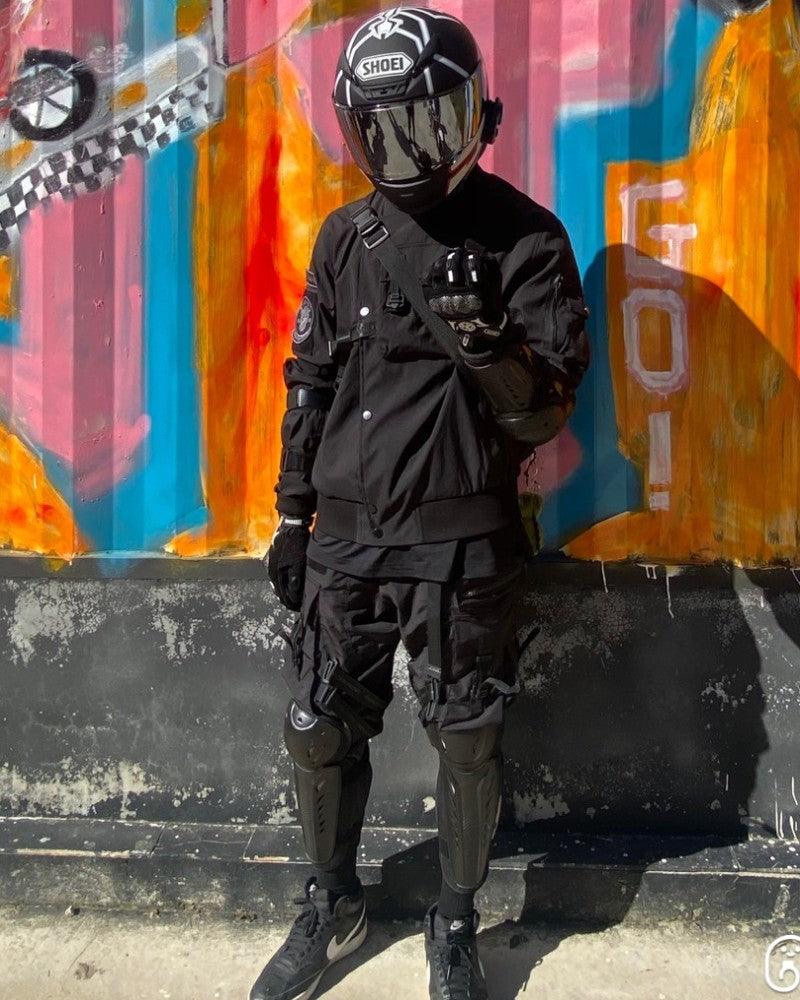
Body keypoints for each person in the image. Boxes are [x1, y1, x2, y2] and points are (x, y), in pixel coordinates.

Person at [252, 8, 590, 999]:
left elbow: (542, 414)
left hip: (462, 539)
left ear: (473, 116)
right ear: (354, 132)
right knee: (317, 724)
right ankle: (332, 903)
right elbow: (310, 381)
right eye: (383, 130)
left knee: (467, 734)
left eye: (427, 124)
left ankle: (454, 919)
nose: (407, 150)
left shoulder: (525, 238)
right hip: (347, 536)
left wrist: (489, 343)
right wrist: (290, 515)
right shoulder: (342, 237)